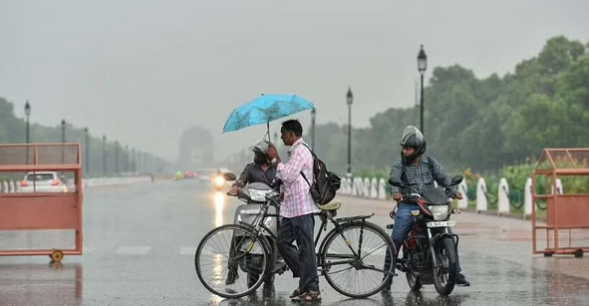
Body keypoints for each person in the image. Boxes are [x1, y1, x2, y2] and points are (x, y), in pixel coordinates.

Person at [383, 125, 470, 291]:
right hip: (409, 205)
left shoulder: (430, 163)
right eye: (404, 148)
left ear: (418, 149)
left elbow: (444, 178)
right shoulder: (399, 165)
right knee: (396, 239)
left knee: (448, 234)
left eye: (408, 148)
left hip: (430, 205)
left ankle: (456, 272)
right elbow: (394, 178)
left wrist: (453, 191)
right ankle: (387, 276)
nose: (404, 151)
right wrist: (396, 193)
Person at [267, 119, 322, 302]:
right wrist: (282, 191)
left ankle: (312, 289)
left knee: (306, 249)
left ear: (292, 134)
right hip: (292, 209)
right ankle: (305, 278)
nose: (281, 136)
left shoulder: (300, 151)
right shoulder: (295, 152)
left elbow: (288, 175)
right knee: (282, 241)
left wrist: (276, 160)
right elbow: (293, 178)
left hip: (302, 208)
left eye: (283, 133)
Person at [225, 140, 278, 287]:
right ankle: (232, 267)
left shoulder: (277, 170)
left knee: (276, 237)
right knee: (238, 233)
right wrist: (236, 187)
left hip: (271, 210)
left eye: (258, 154)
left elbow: (284, 185)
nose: (256, 156)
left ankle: (273, 267)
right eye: (255, 154)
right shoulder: (250, 168)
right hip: (252, 209)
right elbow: (241, 181)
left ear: (267, 155)